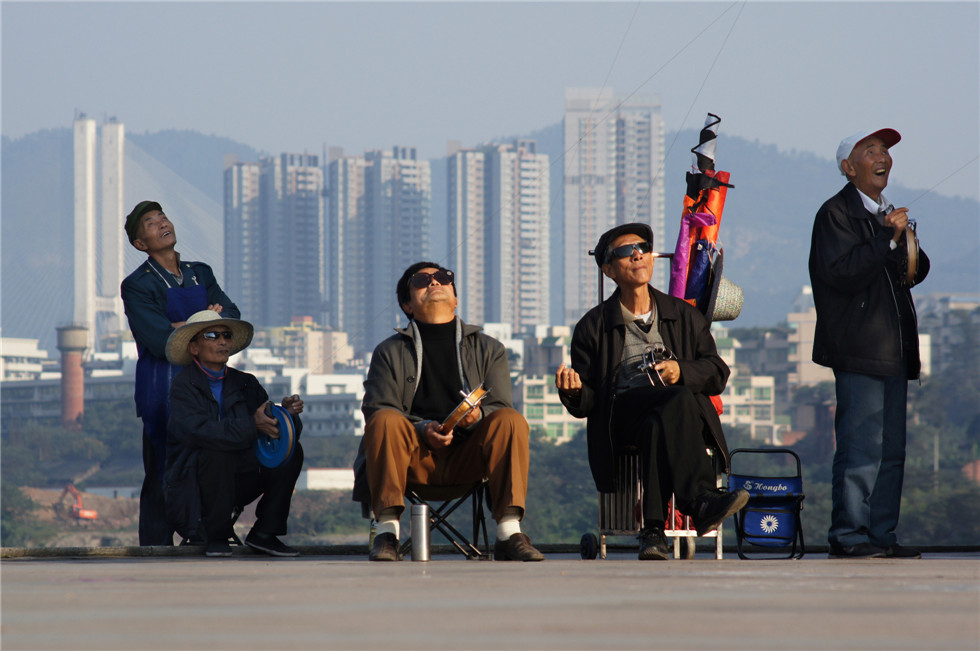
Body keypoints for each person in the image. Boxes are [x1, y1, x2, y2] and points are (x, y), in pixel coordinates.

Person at [555, 223, 748, 560]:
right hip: (620, 414)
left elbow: (717, 373)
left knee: (659, 423)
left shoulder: (683, 316)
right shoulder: (593, 326)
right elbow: (588, 403)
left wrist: (680, 371)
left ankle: (653, 532)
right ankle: (699, 500)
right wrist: (572, 392)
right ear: (609, 270)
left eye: (643, 247)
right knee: (676, 399)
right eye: (625, 251)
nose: (637, 255)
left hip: (671, 416)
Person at [351, 262, 544, 562]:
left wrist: (477, 417)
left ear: (455, 299)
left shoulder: (489, 348)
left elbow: (500, 406)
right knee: (384, 419)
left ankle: (509, 533)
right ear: (407, 305)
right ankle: (387, 533)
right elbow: (377, 407)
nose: (434, 283)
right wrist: (422, 429)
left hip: (469, 459)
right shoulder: (389, 351)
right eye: (421, 280)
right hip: (411, 460)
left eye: (442, 278)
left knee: (510, 420)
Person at [809, 128, 929, 559]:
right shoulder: (835, 214)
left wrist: (902, 238)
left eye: (884, 151)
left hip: (894, 349)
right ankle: (849, 535)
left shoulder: (886, 214)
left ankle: (881, 535)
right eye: (870, 150)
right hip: (858, 349)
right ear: (848, 167)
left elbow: (916, 270)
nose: (882, 157)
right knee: (860, 448)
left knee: (892, 451)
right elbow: (842, 272)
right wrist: (885, 237)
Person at [121, 200, 241, 546]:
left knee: (210, 458)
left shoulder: (200, 272)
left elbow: (231, 314)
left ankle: (205, 532)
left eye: (163, 217)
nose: (162, 223)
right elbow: (160, 339)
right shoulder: (137, 285)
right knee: (164, 465)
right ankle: (156, 544)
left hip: (207, 382)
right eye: (150, 222)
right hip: (162, 386)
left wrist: (185, 325)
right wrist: (205, 321)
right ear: (140, 244)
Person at [165, 310, 305, 557]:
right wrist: (253, 425)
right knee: (217, 451)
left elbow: (269, 432)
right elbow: (200, 432)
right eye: (212, 335)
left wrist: (286, 416)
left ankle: (265, 533)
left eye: (226, 335)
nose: (222, 341)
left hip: (242, 475)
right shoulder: (183, 386)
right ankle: (217, 535)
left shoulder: (247, 382)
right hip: (196, 480)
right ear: (194, 348)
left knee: (292, 453)